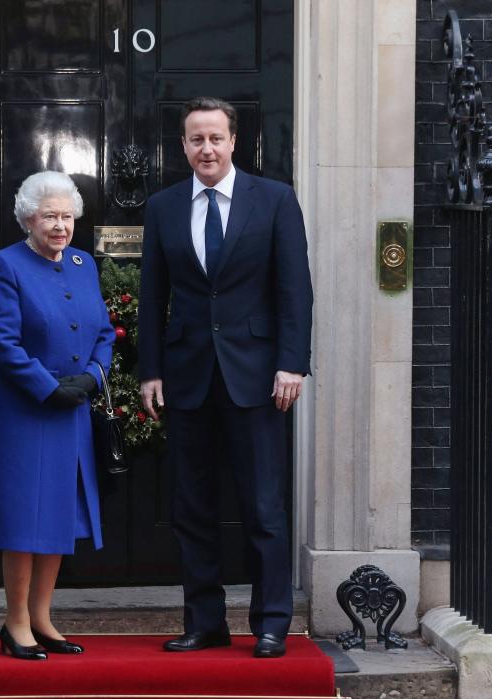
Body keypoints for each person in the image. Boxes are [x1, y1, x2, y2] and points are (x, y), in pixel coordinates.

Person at [138, 97, 312, 659]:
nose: (206, 148)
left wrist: (293, 362)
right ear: (183, 146)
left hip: (259, 377)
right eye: (195, 139)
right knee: (193, 508)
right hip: (188, 377)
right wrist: (150, 370)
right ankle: (205, 622)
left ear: (234, 141)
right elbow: (152, 296)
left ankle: (271, 623)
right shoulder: (163, 207)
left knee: (263, 507)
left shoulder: (276, 200)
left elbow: (294, 290)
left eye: (215, 138)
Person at [0, 170, 115, 660]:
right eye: (49, 216)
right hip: (23, 410)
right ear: (28, 219)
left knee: (58, 510)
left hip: (72, 407)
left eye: (66, 216)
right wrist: (46, 387)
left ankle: (42, 617)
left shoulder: (82, 264)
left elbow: (103, 330)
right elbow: (3, 342)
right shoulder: (6, 265)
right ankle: (14, 623)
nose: (60, 225)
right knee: (24, 514)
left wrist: (93, 377)